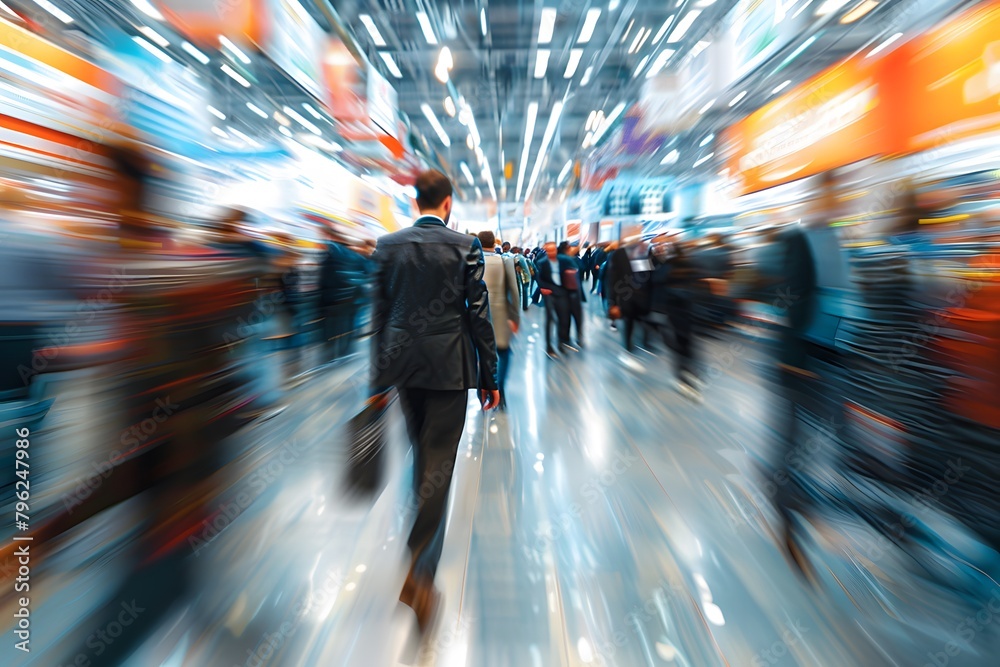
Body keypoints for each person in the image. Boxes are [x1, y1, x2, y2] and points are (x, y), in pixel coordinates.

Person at [370, 169, 499, 633]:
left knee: (423, 455)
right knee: (438, 465)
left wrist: (375, 381)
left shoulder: (387, 247)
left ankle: (418, 555)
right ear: (448, 203)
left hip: (404, 367)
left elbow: (379, 316)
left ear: (416, 200)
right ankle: (420, 574)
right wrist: (491, 375)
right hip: (448, 368)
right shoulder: (466, 247)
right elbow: (479, 313)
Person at [477, 231, 519, 409]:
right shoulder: (505, 261)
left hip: (478, 316)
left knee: (481, 354)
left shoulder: (471, 262)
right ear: (494, 243)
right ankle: (499, 390)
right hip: (501, 316)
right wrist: (514, 317)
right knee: (503, 353)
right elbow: (514, 291)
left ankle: (482, 391)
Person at [533, 241, 570, 356]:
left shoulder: (563, 261)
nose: (551, 252)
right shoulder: (541, 263)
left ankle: (561, 342)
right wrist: (542, 288)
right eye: (548, 250)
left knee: (563, 319)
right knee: (550, 319)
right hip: (549, 293)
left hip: (562, 292)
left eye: (553, 250)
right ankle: (549, 346)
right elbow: (538, 277)